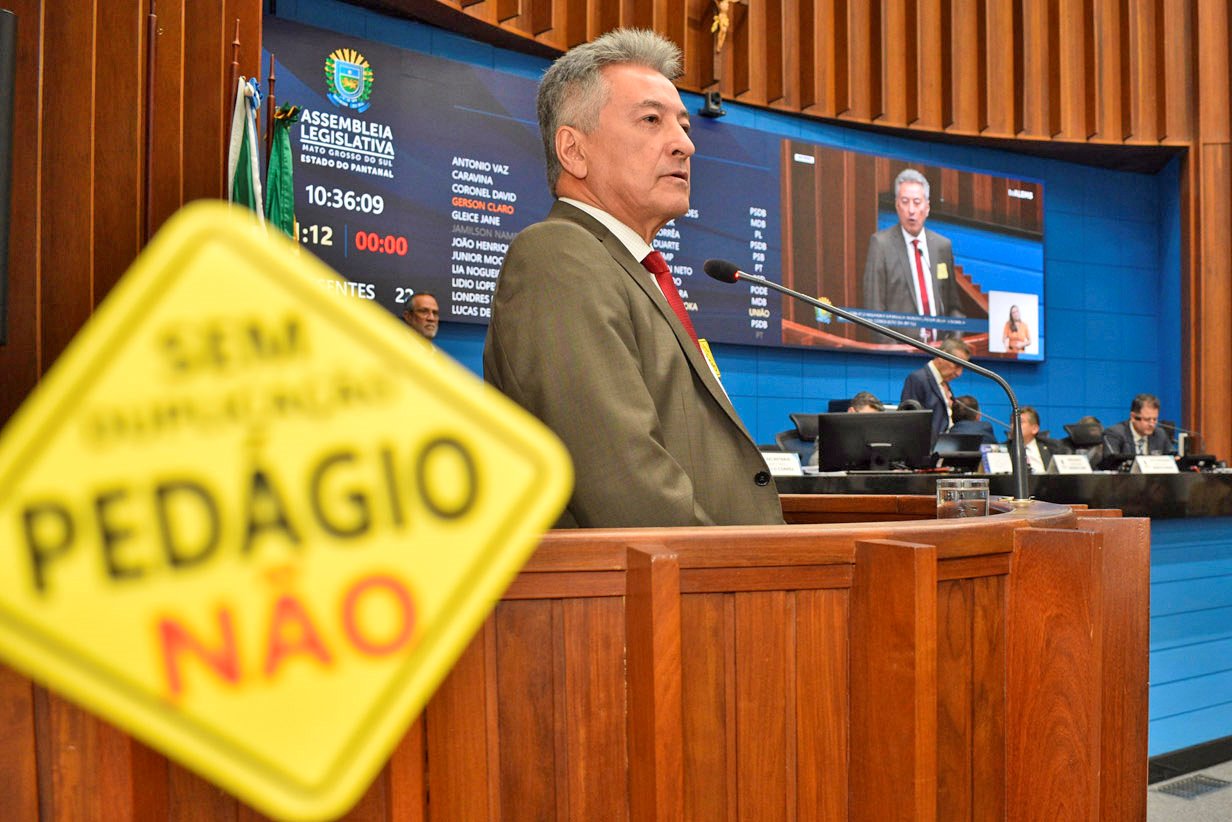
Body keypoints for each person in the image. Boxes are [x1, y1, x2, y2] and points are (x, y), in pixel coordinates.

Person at [483, 29, 783, 528]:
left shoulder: (625, 267)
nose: (685, 144)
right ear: (574, 151)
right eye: (651, 120)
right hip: (671, 576)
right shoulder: (558, 255)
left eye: (683, 125)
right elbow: (626, 487)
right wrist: (746, 569)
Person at [862, 168, 964, 341]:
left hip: (940, 350)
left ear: (927, 207)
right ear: (897, 205)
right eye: (905, 202)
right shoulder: (881, 245)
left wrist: (953, 345)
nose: (911, 210)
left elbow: (954, 307)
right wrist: (896, 351)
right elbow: (874, 312)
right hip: (900, 351)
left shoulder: (942, 246)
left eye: (917, 202)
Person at [899, 337, 971, 445]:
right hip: (926, 452)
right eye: (957, 365)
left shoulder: (944, 384)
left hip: (945, 450)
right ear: (942, 356)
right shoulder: (918, 379)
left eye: (962, 368)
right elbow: (909, 423)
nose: (959, 373)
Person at [1101, 393, 1174, 457]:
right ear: (1133, 417)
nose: (1152, 424)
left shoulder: (1160, 434)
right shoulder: (1115, 434)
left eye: (1155, 419)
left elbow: (1172, 459)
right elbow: (1112, 463)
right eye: (1147, 419)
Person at [1007, 406, 1059, 473]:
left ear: (1035, 429)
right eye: (1012, 422)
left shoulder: (1052, 448)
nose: (1013, 426)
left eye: (1020, 422)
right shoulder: (1004, 450)